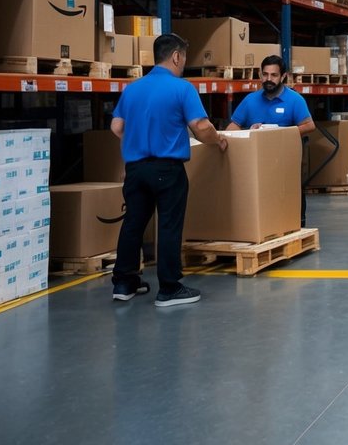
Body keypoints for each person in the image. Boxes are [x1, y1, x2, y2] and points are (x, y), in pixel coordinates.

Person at [110, 33, 228, 308]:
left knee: (134, 224)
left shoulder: (132, 89)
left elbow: (117, 128)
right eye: (184, 57)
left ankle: (124, 283)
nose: (184, 62)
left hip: (136, 169)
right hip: (167, 169)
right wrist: (218, 139)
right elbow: (200, 126)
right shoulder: (182, 88)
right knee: (169, 225)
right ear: (176, 56)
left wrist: (138, 142)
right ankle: (169, 287)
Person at [227, 55, 315, 224]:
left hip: (285, 160)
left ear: (283, 77)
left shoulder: (294, 100)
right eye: (265, 74)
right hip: (257, 162)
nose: (269, 79)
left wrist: (281, 134)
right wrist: (248, 131)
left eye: (274, 75)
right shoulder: (250, 100)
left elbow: (309, 125)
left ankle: (298, 223)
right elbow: (232, 128)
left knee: (290, 191)